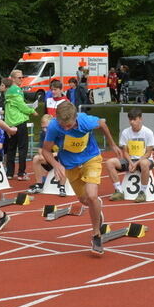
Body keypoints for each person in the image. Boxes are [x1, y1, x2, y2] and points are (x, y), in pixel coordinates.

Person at [41, 102, 121, 251]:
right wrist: (56, 164)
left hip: (91, 158)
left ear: (75, 118)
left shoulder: (85, 121)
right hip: (70, 165)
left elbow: (102, 124)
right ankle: (96, 208)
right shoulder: (53, 126)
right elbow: (45, 151)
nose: (65, 128)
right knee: (85, 200)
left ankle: (96, 235)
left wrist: (113, 144)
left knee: (91, 196)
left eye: (69, 126)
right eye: (62, 126)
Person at [105, 107, 154, 203]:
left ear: (140, 119)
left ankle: (142, 192)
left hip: (144, 160)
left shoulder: (148, 132)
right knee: (109, 162)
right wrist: (130, 162)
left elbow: (148, 153)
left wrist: (136, 163)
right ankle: (119, 190)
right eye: (130, 120)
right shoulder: (125, 132)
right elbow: (125, 152)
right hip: (130, 160)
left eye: (134, 119)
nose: (132, 122)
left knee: (144, 163)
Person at [4, 71, 38, 180]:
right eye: (19, 77)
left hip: (10, 123)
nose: (21, 79)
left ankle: (9, 173)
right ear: (13, 79)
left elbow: (14, 106)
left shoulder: (8, 91)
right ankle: (21, 173)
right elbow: (21, 105)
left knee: (11, 148)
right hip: (19, 122)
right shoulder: (17, 90)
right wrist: (32, 111)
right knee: (23, 148)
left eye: (22, 77)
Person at [27, 113, 61, 195]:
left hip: (62, 158)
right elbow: (40, 149)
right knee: (36, 158)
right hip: (49, 158)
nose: (45, 130)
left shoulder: (60, 132)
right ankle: (39, 184)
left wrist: (54, 154)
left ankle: (59, 182)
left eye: (47, 127)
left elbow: (65, 150)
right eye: (43, 128)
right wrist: (43, 155)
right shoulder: (43, 133)